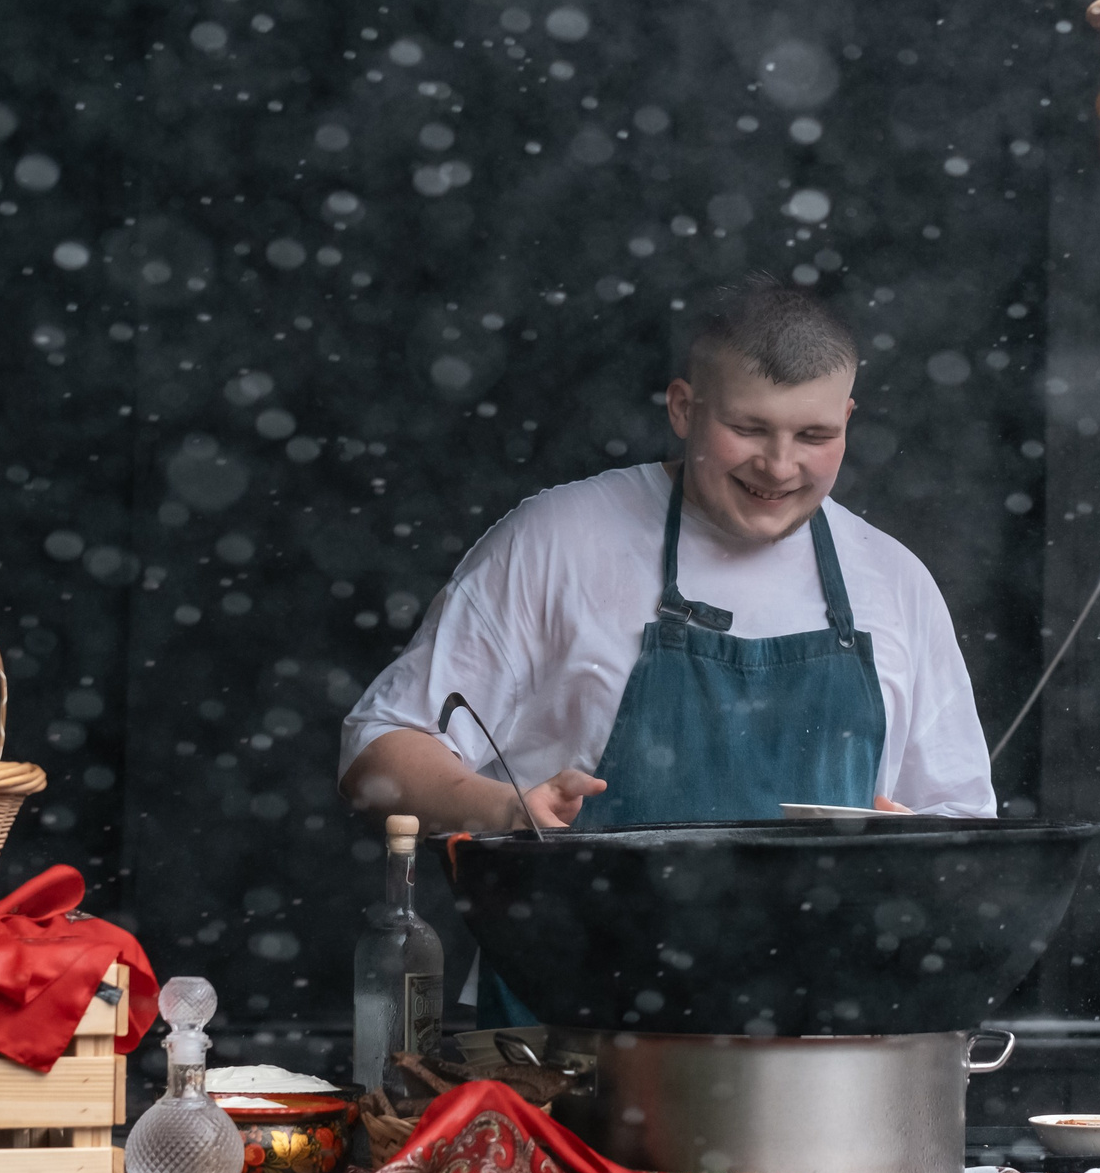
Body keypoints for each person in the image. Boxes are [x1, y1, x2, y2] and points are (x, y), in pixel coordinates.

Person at [339, 276, 996, 843]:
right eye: (749, 429)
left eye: (814, 435)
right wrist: (508, 809)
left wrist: (913, 849)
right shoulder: (557, 541)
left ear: (848, 418)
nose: (779, 465)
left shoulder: (894, 580)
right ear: (683, 408)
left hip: (828, 955)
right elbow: (377, 751)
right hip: (578, 947)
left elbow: (963, 825)